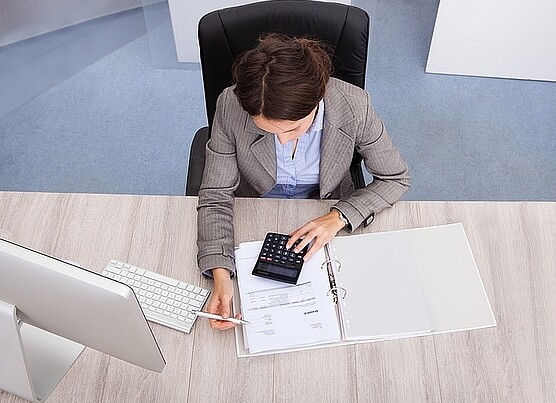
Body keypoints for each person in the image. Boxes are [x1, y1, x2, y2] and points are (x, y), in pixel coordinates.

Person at [197, 33, 410, 330]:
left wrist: (339, 217)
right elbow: (216, 195)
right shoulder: (230, 106)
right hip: (254, 209)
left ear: (316, 101)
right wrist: (220, 274)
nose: (283, 140)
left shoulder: (353, 106)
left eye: (294, 129)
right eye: (270, 131)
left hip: (326, 209)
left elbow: (395, 177)